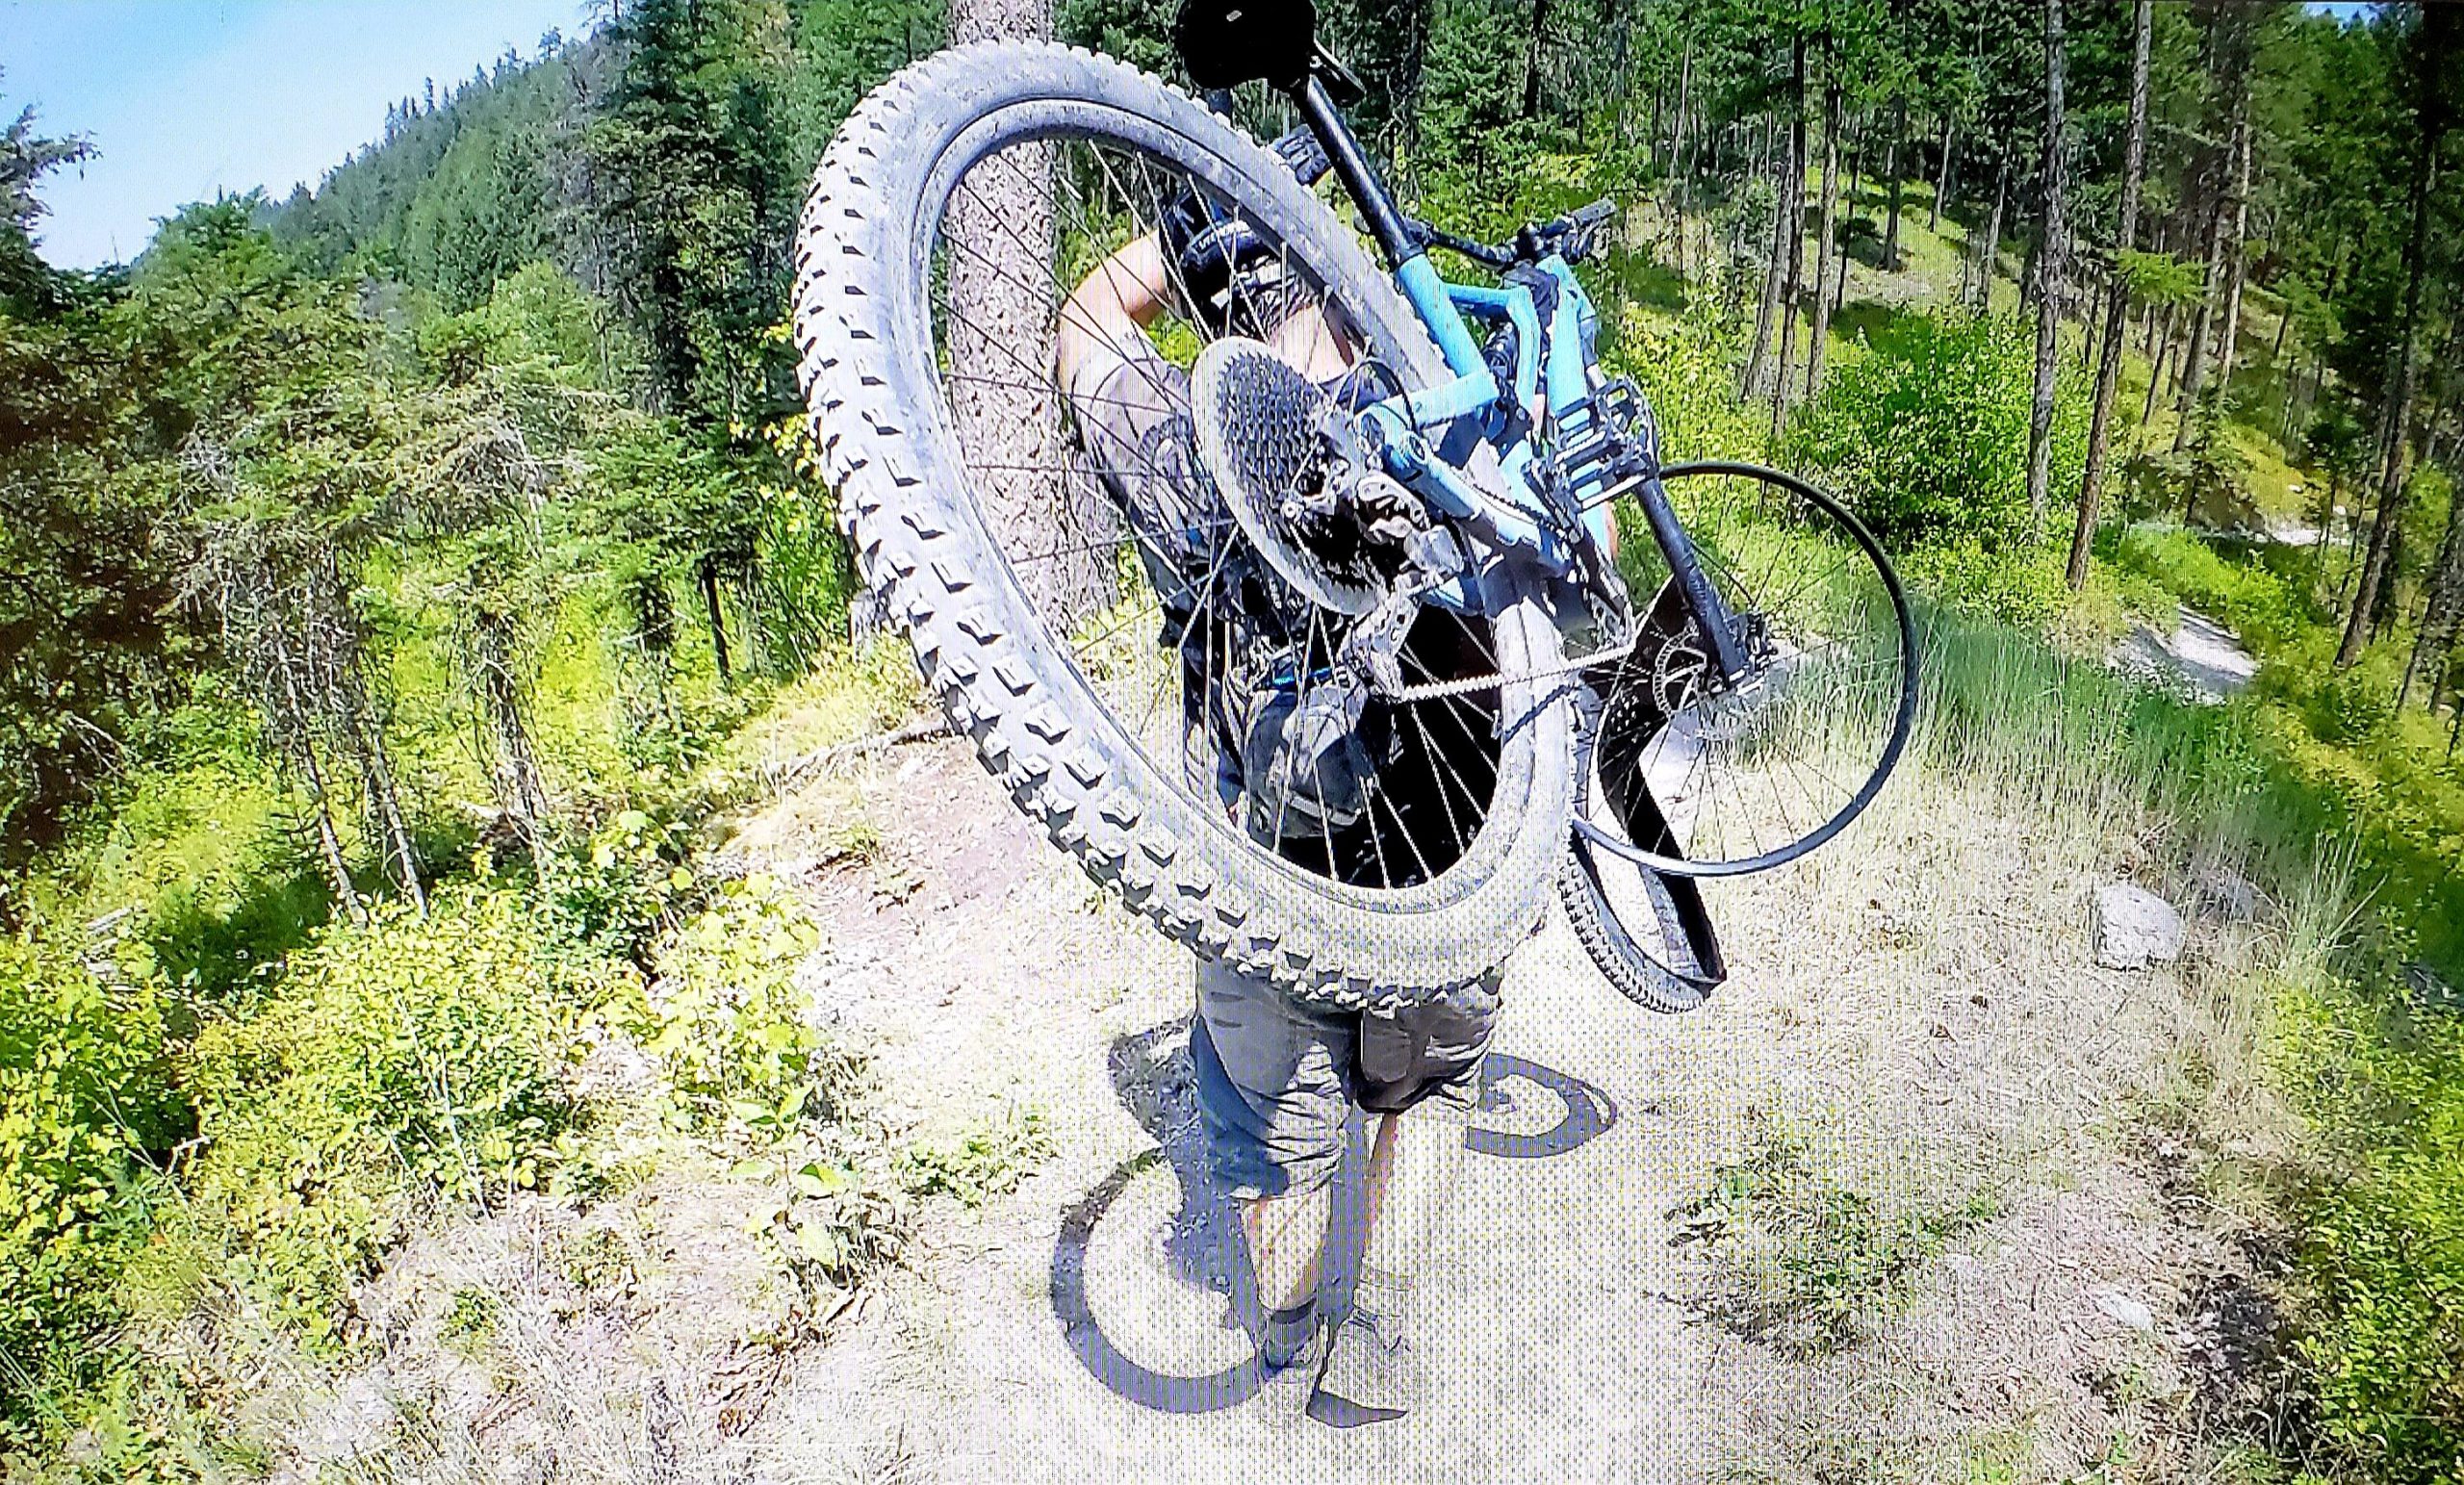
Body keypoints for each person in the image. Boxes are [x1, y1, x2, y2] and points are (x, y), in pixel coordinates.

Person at [1050, 179, 1506, 1428]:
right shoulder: (1449, 417)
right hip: (1450, 850)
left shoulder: (1197, 441)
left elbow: (1086, 323)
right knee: (1432, 1088)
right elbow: (1589, 577)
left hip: (1266, 858)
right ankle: (1383, 1331)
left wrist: (1188, 228)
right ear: (1350, 310)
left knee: (1262, 1123)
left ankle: (1291, 1315)